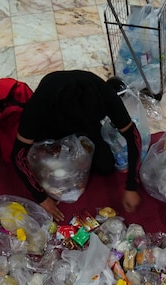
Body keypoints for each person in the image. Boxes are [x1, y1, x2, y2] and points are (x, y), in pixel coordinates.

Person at [12, 70, 142, 222]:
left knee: (106, 166)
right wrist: (42, 198)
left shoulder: (105, 95)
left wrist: (131, 185)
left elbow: (133, 136)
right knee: (48, 173)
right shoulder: (41, 102)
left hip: (87, 128)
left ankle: (85, 136)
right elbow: (17, 155)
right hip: (50, 128)